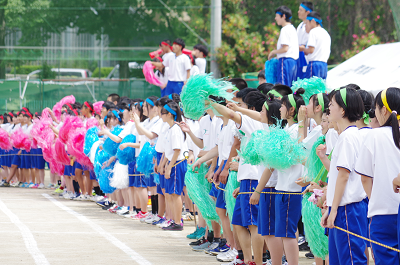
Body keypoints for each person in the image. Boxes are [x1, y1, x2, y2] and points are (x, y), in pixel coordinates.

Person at [319, 88, 368, 264]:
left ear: (343, 110)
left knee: (351, 260)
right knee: (340, 259)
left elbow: (343, 176)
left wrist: (334, 211)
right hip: (342, 208)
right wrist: (331, 208)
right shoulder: (348, 135)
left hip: (347, 209)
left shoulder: (348, 137)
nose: (328, 108)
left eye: (332, 104)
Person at [357, 87, 400, 264]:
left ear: (384, 110)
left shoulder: (374, 136)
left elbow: (365, 178)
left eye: (375, 108)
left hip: (383, 213)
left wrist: (375, 199)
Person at [160, 101, 188, 231]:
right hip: (173, 163)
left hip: (177, 164)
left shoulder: (175, 129)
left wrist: (169, 166)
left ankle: (178, 222)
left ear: (170, 115)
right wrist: (163, 164)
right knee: (171, 193)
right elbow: (168, 150)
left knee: (176, 193)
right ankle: (174, 220)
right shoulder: (170, 129)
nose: (161, 116)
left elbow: (177, 150)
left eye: (163, 113)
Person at [268, 6, 299, 86]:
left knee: (282, 88)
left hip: (285, 62)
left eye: (277, 16)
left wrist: (273, 52)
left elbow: (285, 49)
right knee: (290, 88)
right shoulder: (292, 28)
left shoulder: (285, 29)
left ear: (284, 16)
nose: (275, 18)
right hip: (293, 63)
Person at [303, 11, 331, 79]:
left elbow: (311, 50)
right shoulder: (325, 33)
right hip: (324, 65)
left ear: (313, 21)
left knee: (311, 88)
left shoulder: (313, 31)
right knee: (321, 88)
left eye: (307, 23)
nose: (306, 25)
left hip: (314, 65)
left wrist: (302, 49)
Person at [297, 2, 314, 79]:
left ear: (308, 12)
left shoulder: (310, 28)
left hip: (306, 61)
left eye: (300, 10)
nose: (298, 12)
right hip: (298, 60)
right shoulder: (300, 25)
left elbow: (304, 46)